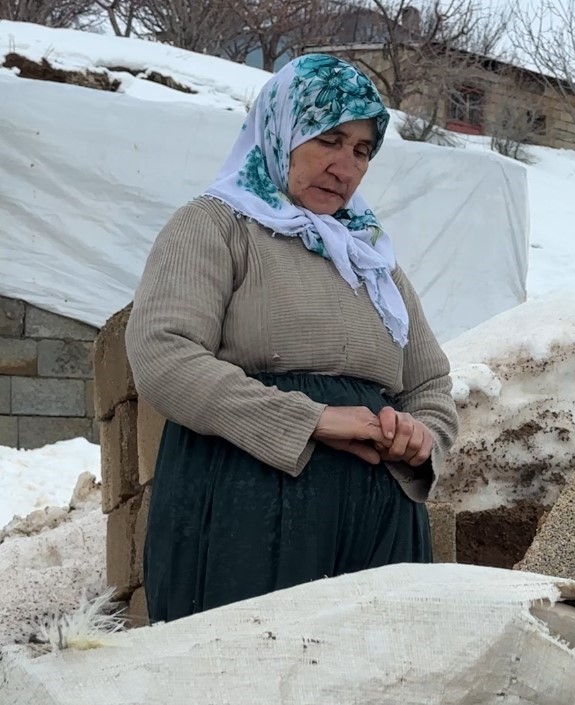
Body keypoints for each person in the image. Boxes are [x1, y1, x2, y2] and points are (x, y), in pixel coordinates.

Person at [124, 54, 458, 623]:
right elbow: (163, 354)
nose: (345, 168)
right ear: (282, 129)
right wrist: (312, 420)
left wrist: (422, 436)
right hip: (244, 507)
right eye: (329, 139)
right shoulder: (216, 224)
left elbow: (429, 382)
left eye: (361, 151)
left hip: (380, 522)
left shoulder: (372, 257)